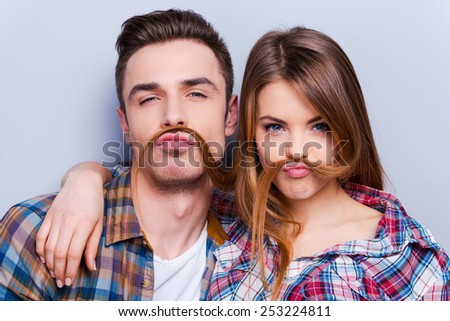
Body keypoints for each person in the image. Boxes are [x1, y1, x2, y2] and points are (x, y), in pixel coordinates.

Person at [33, 26, 450, 301]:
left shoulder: (406, 255)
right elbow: (160, 183)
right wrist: (87, 177)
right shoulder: (232, 219)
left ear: (346, 126)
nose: (296, 149)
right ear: (248, 129)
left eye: (319, 126)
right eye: (274, 127)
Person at [0, 9, 242, 300]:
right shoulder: (35, 233)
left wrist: (86, 173)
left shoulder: (261, 242)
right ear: (125, 123)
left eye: (196, 94)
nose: (174, 116)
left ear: (230, 116)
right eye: (149, 98)